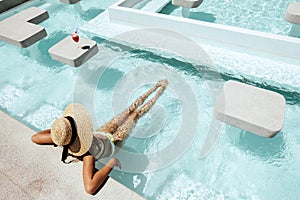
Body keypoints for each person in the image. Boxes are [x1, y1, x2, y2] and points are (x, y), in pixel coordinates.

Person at [31, 79, 168, 195]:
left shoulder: (65, 139)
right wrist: (111, 163)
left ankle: (155, 87)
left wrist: (60, 131)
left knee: (129, 110)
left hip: (100, 134)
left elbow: (35, 138)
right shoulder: (88, 156)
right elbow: (90, 188)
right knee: (135, 115)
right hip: (114, 143)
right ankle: (159, 92)